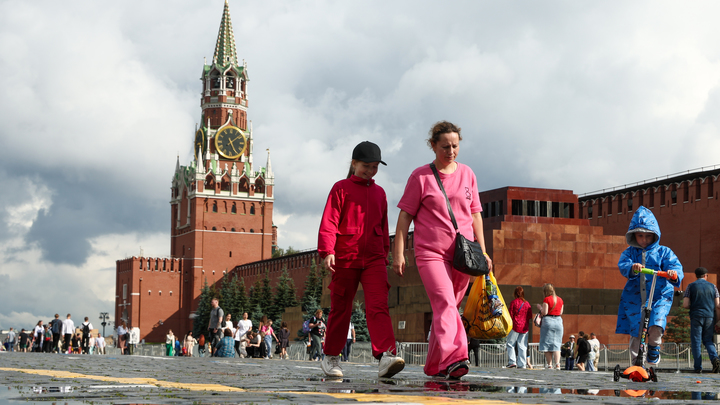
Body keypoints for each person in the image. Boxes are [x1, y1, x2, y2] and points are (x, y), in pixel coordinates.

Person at [393, 121, 492, 379]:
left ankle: (435, 365)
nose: (451, 151)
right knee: (445, 303)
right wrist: (399, 252)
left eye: (455, 146)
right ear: (433, 146)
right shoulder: (420, 176)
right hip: (430, 253)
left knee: (446, 309)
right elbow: (405, 217)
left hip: (464, 254)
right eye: (445, 146)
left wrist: (483, 250)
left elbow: (476, 215)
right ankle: (456, 357)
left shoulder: (468, 173)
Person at [317, 140, 405, 379]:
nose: (370, 171)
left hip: (375, 259)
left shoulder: (380, 193)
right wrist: (328, 251)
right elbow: (329, 222)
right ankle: (331, 356)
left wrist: (386, 252)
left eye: (375, 167)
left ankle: (386, 356)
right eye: (366, 166)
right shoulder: (340, 188)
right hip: (345, 257)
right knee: (341, 308)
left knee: (379, 306)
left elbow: (383, 225)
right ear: (354, 163)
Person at [617, 206, 682, 366]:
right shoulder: (630, 252)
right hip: (636, 297)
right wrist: (632, 267)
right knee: (637, 330)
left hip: (659, 296)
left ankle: (654, 347)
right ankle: (636, 364)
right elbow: (623, 264)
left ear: (655, 236)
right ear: (634, 236)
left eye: (648, 236)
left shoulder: (664, 252)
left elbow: (676, 266)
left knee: (656, 325)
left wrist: (673, 273)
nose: (644, 240)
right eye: (640, 236)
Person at [682, 267, 720, 373]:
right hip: (709, 317)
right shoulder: (713, 287)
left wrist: (694, 305)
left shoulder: (690, 286)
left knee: (696, 342)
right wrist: (718, 321)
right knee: (708, 340)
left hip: (696, 316)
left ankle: (698, 367)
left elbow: (685, 304)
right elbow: (718, 305)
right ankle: (715, 359)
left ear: (696, 275)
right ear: (706, 275)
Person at [536, 283, 563, 370]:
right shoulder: (560, 299)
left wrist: (540, 308)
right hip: (558, 321)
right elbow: (561, 312)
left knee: (547, 344)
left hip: (548, 321)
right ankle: (558, 364)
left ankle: (550, 365)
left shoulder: (546, 299)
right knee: (557, 344)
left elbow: (545, 312)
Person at [506, 286, 533, 369]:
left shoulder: (513, 302)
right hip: (524, 327)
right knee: (522, 346)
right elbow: (530, 316)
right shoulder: (527, 303)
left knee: (510, 344)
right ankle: (522, 364)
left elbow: (510, 315)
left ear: (515, 293)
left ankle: (512, 362)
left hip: (515, 326)